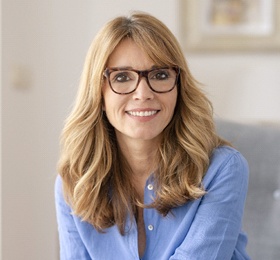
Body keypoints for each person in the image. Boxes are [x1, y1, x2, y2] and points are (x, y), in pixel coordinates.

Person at [55, 11, 250, 260]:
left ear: (179, 87)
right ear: (99, 93)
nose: (143, 93)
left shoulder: (223, 169)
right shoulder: (73, 182)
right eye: (122, 77)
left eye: (160, 75)